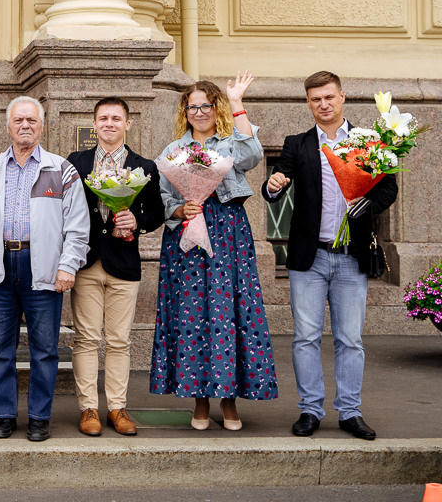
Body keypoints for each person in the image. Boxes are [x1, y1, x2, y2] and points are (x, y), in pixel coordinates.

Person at [264, 71, 398, 441]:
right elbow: (275, 185)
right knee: (305, 337)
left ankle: (350, 412)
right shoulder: (297, 144)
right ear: (308, 103)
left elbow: (389, 188)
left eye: (328, 97)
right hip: (309, 257)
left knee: (350, 338)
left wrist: (368, 203)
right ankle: (310, 409)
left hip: (351, 255)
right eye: (315, 99)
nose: (323, 104)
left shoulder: (367, 142)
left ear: (342, 98)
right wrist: (273, 185)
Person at [150, 72, 278, 430]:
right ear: (184, 111)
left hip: (227, 232)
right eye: (193, 107)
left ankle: (230, 401)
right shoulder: (173, 151)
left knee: (228, 312)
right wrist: (178, 210)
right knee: (192, 316)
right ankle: (200, 401)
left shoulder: (229, 144)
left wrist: (238, 105)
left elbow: (253, 156)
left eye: (206, 105)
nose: (200, 112)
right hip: (188, 234)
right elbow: (161, 197)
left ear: (215, 108)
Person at [0, 96, 89, 442]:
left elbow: (77, 226)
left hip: (43, 268)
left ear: (42, 125)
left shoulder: (61, 170)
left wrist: (68, 266)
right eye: (18, 120)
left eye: (32, 120)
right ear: (8, 126)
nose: (25, 126)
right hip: (0, 266)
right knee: (1, 349)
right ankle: (3, 415)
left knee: (44, 350)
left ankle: (39, 417)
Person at [67, 97, 164, 437]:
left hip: (124, 262)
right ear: (94, 124)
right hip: (87, 261)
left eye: (116, 118)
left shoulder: (145, 166)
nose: (109, 123)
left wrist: (136, 220)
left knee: (120, 340)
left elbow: (157, 212)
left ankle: (117, 408)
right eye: (103, 118)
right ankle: (88, 408)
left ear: (128, 124)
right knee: (87, 338)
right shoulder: (76, 163)